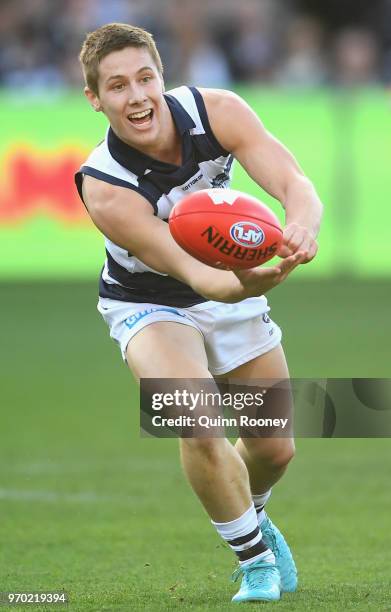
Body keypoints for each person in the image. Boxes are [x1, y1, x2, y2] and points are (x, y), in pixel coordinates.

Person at [75, 23, 322, 603]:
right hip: (148, 300)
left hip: (230, 286)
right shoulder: (105, 186)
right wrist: (252, 279)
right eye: (117, 87)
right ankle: (254, 560)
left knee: (273, 447)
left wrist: (300, 228)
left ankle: (253, 516)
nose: (136, 96)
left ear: (162, 76)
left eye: (144, 78)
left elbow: (295, 183)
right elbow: (197, 276)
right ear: (95, 99)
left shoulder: (218, 112)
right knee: (196, 417)